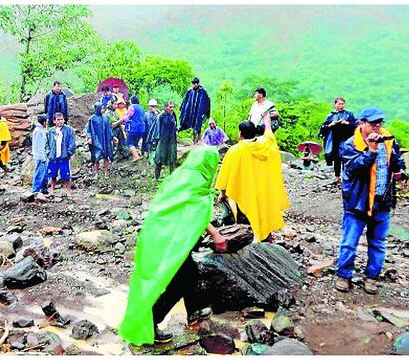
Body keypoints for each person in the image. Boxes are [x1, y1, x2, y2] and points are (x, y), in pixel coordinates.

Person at [119, 146, 227, 345]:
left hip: (159, 235)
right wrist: (215, 233)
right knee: (181, 279)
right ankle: (151, 319)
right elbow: (195, 209)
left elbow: (184, 207)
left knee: (181, 275)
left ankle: (192, 313)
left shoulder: (181, 176)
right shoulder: (196, 180)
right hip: (171, 240)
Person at [334, 107, 405, 295]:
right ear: (361, 123)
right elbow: (355, 168)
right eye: (373, 123)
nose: (377, 126)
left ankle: (371, 277)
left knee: (378, 242)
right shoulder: (350, 145)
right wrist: (371, 151)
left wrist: (400, 170)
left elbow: (397, 160)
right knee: (349, 242)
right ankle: (344, 275)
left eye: (380, 122)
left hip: (382, 201)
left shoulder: (388, 140)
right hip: (357, 202)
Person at [215, 113, 289, 242]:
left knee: (247, 218)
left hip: (245, 193)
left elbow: (225, 174)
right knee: (263, 214)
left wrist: (223, 193)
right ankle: (267, 239)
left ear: (240, 133)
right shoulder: (265, 145)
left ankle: (250, 242)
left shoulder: (235, 150)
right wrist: (267, 121)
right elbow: (270, 136)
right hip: (264, 190)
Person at [318, 97, 358, 183]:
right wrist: (330, 125)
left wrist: (347, 123)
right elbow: (323, 128)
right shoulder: (330, 116)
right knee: (336, 158)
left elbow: (356, 125)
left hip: (347, 139)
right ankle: (337, 176)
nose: (341, 106)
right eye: (339, 104)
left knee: (346, 157)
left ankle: (346, 175)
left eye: (342, 104)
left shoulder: (349, 114)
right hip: (334, 140)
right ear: (335, 105)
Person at [47, 112, 76, 194]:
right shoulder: (50, 131)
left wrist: (68, 153)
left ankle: (68, 191)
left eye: (62, 119)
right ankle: (52, 191)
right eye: (58, 120)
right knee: (53, 175)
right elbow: (47, 143)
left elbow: (72, 143)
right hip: (53, 156)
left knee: (66, 175)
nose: (60, 121)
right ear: (54, 121)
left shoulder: (69, 130)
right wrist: (48, 153)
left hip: (64, 156)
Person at [86, 103, 116, 179]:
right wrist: (89, 138)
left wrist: (112, 137)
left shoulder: (105, 118)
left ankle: (106, 172)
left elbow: (109, 129)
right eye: (102, 108)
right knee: (96, 157)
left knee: (106, 156)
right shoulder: (92, 119)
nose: (103, 110)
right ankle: (96, 173)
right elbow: (88, 130)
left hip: (105, 140)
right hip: (96, 140)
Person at [150, 101, 178, 180]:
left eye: (173, 107)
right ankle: (157, 177)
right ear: (166, 108)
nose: (172, 109)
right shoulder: (161, 116)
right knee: (159, 158)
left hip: (172, 139)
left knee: (172, 159)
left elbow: (175, 125)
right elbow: (156, 129)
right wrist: (155, 140)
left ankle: (172, 178)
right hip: (162, 140)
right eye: (170, 107)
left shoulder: (173, 115)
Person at [179, 77, 211, 144]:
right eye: (193, 83)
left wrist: (205, 112)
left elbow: (207, 102)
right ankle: (194, 140)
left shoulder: (203, 92)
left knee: (198, 125)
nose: (194, 85)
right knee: (191, 125)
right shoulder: (190, 91)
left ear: (198, 83)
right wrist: (182, 109)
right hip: (190, 112)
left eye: (196, 83)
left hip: (199, 113)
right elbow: (185, 101)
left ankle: (198, 140)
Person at [121, 96, 147, 161]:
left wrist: (123, 119)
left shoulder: (132, 107)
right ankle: (136, 156)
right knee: (135, 142)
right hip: (142, 128)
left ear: (131, 101)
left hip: (134, 128)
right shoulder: (141, 108)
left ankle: (136, 156)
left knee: (129, 142)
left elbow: (128, 117)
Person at [31, 115, 49, 194]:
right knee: (39, 173)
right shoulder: (39, 131)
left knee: (44, 173)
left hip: (42, 155)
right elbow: (39, 145)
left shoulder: (40, 130)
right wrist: (42, 157)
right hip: (40, 156)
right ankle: (35, 190)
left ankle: (43, 189)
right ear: (44, 122)